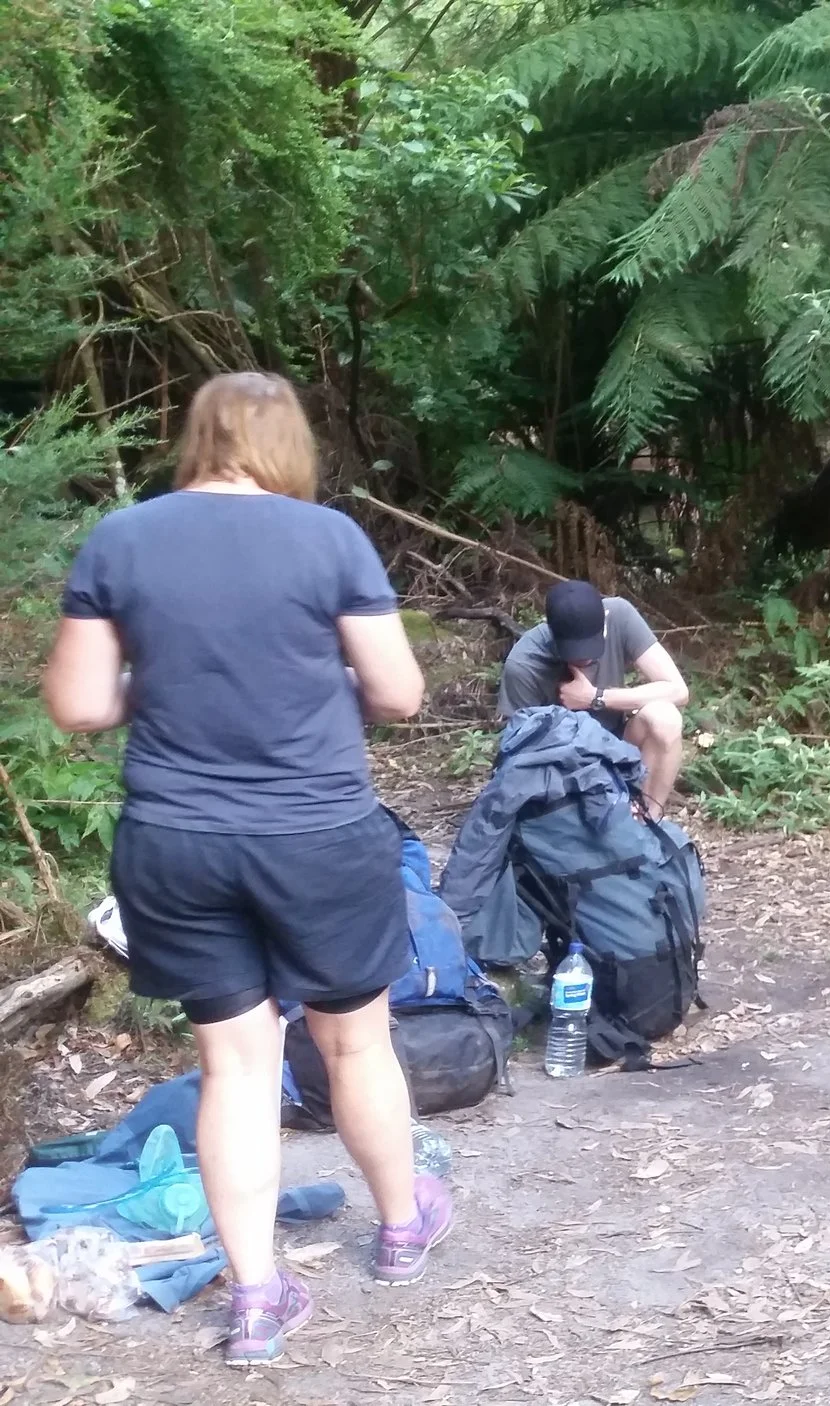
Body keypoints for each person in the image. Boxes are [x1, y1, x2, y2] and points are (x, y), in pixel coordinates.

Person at [41, 372, 453, 1367]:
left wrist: (164, 683)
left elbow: (80, 706)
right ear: (287, 444)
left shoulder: (122, 539)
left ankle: (259, 1299)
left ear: (199, 437)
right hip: (318, 835)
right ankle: (402, 1227)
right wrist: (317, 679)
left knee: (234, 1065)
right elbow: (400, 692)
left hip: (177, 844)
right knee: (354, 1041)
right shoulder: (328, 538)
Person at [497, 579, 690, 816]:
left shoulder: (619, 615)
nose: (583, 658)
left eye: (590, 648)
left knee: (665, 718)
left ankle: (647, 818)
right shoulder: (523, 664)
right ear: (551, 633)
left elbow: (678, 690)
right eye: (573, 651)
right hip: (561, 770)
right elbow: (518, 755)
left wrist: (595, 697)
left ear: (605, 624)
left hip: (618, 750)